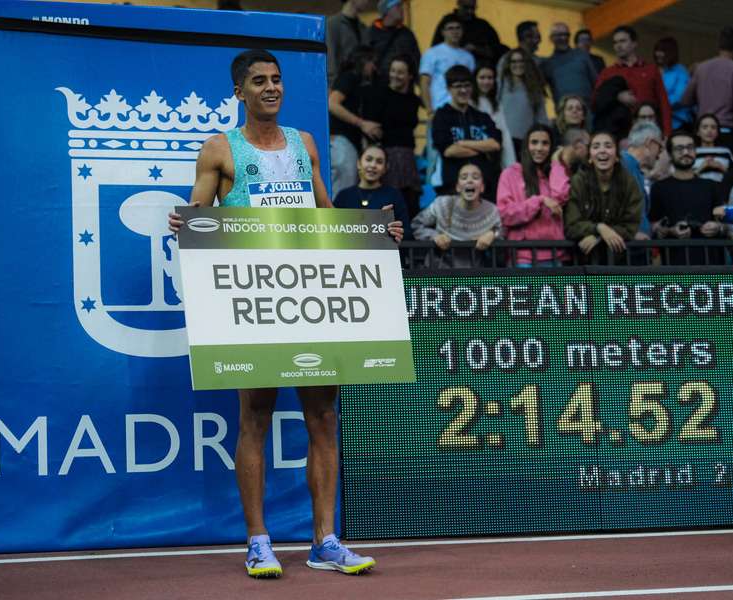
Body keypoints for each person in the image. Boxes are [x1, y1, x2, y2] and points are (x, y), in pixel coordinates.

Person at [167, 49, 403, 579]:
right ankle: (258, 542)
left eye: (276, 79)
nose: (271, 87)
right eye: (259, 81)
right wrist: (185, 223)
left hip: (309, 297)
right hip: (253, 304)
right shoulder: (219, 148)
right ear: (239, 92)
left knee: (323, 417)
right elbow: (198, 215)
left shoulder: (305, 144)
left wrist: (374, 235)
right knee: (255, 417)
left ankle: (326, 542)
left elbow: (327, 218)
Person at [564, 131, 643, 263]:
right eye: (596, 147)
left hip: (619, 261)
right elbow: (571, 225)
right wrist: (599, 228)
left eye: (608, 146)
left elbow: (631, 226)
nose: (602, 150)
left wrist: (599, 237)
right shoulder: (578, 181)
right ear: (590, 157)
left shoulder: (629, 183)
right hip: (584, 262)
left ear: (616, 156)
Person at [650, 130, 726, 265]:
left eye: (690, 147)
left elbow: (726, 225)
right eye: (679, 148)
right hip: (674, 266)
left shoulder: (711, 186)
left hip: (711, 265)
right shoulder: (659, 188)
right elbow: (653, 227)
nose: (686, 152)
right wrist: (670, 231)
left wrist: (717, 227)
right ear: (670, 154)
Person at [496, 124, 567, 266]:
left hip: (554, 253)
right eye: (534, 142)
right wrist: (539, 201)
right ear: (526, 146)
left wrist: (556, 164)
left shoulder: (555, 171)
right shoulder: (510, 174)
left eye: (545, 143)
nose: (539, 148)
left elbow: (560, 197)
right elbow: (505, 214)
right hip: (522, 256)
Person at [364, 54, 423, 216]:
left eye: (401, 72)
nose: (395, 75)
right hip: (386, 154)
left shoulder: (413, 100)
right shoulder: (380, 94)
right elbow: (372, 129)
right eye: (393, 71)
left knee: (410, 201)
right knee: (387, 201)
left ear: (410, 76)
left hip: (408, 155)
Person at [412, 162, 502, 267]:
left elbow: (502, 232)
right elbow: (416, 224)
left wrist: (492, 234)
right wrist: (434, 236)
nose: (469, 180)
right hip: (439, 270)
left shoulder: (491, 210)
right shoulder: (442, 204)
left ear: (482, 187)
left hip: (474, 271)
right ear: (458, 187)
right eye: (464, 177)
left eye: (475, 177)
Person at [681, 26, 733, 161]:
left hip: (703, 131)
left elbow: (685, 100)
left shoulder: (701, 68)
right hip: (727, 130)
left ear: (718, 44)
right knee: (730, 170)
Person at [431, 65, 502, 194]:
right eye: (458, 86)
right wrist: (482, 149)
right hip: (452, 186)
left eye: (467, 85)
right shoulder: (441, 116)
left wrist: (463, 143)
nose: (463, 90)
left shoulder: (482, 116)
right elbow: (448, 151)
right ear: (448, 88)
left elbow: (495, 144)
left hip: (483, 186)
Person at [594, 25, 671, 136]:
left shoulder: (651, 69)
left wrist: (667, 134)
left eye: (623, 41)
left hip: (648, 130)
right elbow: (595, 101)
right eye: (615, 42)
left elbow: (664, 104)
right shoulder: (607, 72)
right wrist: (616, 96)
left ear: (634, 44)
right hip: (618, 132)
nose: (618, 46)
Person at [328, 45, 379, 198]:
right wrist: (361, 123)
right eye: (371, 62)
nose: (374, 67)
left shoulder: (353, 81)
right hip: (342, 142)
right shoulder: (349, 77)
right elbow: (332, 103)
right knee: (343, 191)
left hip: (345, 142)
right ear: (363, 61)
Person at [334, 145, 412, 238]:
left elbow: (407, 233)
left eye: (379, 162)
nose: (373, 165)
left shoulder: (394, 195)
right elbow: (332, 229)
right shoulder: (344, 196)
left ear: (385, 168)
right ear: (358, 163)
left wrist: (391, 230)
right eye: (368, 159)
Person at [498, 47, 548, 160]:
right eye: (514, 61)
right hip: (504, 140)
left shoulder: (535, 88)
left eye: (521, 61)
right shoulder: (501, 84)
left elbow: (541, 116)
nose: (518, 65)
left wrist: (543, 137)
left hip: (526, 141)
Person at [419, 13, 475, 114]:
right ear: (443, 32)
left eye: (458, 28)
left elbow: (472, 85)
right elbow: (424, 83)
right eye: (450, 28)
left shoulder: (469, 57)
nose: (455, 31)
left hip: (463, 110)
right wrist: (429, 109)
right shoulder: (432, 53)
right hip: (439, 108)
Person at [621, 121, 664, 239]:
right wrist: (631, 234)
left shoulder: (633, 168)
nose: (660, 154)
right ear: (649, 143)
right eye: (660, 148)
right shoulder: (623, 164)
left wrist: (651, 227)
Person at [430, 0, 506, 65]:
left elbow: (497, 50)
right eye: (466, 7)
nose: (469, 11)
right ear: (458, 3)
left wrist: (476, 49)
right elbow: (435, 49)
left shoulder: (483, 25)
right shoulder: (448, 21)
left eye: (473, 8)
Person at [541, 22, 598, 107]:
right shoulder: (547, 64)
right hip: (564, 112)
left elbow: (596, 82)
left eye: (566, 34)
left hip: (588, 109)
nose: (563, 38)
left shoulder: (582, 55)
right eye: (559, 35)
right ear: (551, 38)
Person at [472, 62, 516, 168]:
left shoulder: (496, 104)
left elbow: (504, 133)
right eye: (482, 78)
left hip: (493, 158)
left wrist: (510, 165)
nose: (486, 81)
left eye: (490, 78)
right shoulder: (469, 103)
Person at [368, 0, 421, 86]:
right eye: (398, 6)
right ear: (387, 10)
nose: (402, 9)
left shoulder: (407, 34)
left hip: (404, 89)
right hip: (379, 87)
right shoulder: (371, 33)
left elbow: (417, 63)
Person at [326, 0, 373, 88]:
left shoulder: (363, 27)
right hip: (341, 86)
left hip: (361, 86)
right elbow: (330, 59)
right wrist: (333, 86)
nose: (367, 1)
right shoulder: (332, 24)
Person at [653, 37, 692, 130]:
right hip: (655, 123)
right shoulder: (652, 70)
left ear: (671, 53)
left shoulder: (680, 71)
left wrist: (656, 105)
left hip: (677, 122)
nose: (658, 54)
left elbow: (680, 97)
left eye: (663, 51)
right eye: (657, 50)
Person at [692, 113, 733, 183]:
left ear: (717, 132)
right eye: (705, 127)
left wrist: (721, 167)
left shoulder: (726, 151)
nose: (709, 130)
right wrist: (702, 167)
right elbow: (685, 177)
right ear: (698, 132)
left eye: (713, 127)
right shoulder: (692, 152)